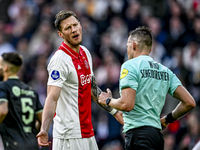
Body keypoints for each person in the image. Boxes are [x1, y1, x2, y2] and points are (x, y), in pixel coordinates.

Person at [36, 10, 123, 150]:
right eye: (68, 28)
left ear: (80, 25)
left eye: (75, 25)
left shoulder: (85, 52)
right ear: (61, 34)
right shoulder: (59, 60)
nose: (74, 30)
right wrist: (45, 129)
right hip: (68, 135)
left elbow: (92, 89)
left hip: (87, 132)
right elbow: (51, 97)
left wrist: (115, 112)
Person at [98, 26, 196, 150]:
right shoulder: (165, 71)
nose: (127, 49)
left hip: (138, 137)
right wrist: (167, 119)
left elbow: (127, 104)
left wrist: (108, 101)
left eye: (127, 45)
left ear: (133, 45)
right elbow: (189, 102)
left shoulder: (130, 66)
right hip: (157, 137)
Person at [0, 52, 43, 150]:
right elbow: (43, 120)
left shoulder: (3, 87)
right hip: (32, 145)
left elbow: (3, 111)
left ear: (5, 68)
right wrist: (29, 131)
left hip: (14, 145)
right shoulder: (31, 91)